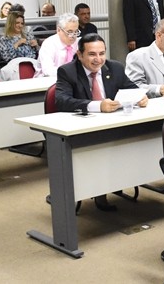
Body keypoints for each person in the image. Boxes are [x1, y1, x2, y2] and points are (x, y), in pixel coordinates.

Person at [55, 33, 148, 210]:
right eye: (92, 54)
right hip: (82, 128)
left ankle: (114, 182)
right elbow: (61, 101)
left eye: (102, 53)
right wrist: (97, 106)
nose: (98, 59)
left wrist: (141, 97)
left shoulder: (115, 68)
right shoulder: (67, 71)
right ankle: (95, 190)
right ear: (80, 54)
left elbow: (132, 89)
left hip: (113, 124)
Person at [34, 13, 80, 77]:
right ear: (58, 30)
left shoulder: (78, 43)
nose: (73, 35)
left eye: (76, 31)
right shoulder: (49, 44)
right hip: (47, 82)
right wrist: (70, 73)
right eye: (70, 32)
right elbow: (48, 71)